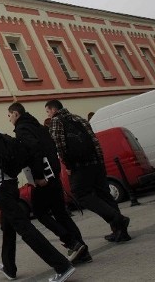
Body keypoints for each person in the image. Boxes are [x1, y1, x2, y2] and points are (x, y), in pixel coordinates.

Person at [0, 110, 75, 282]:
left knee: (24, 228)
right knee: (8, 227)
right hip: (10, 183)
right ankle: (9, 267)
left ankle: (62, 266)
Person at [8, 102, 91, 264]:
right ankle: (83, 250)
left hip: (43, 179)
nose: (9, 118)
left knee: (40, 212)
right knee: (61, 214)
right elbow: (52, 149)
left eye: (9, 115)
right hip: (54, 176)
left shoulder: (22, 129)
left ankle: (71, 243)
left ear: (16, 114)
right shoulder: (39, 126)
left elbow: (34, 150)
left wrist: (39, 176)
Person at [45, 99, 131, 243]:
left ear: (53, 110)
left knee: (81, 194)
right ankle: (120, 232)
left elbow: (60, 146)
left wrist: (68, 166)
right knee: (105, 195)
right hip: (96, 163)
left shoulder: (56, 121)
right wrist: (100, 162)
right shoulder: (79, 118)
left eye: (48, 111)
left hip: (79, 165)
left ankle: (118, 219)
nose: (48, 114)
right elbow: (94, 141)